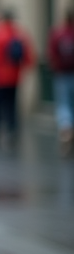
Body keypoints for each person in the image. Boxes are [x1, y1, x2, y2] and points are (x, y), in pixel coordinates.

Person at [0, 8, 35, 148]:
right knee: (12, 105)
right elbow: (28, 56)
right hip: (14, 77)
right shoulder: (19, 34)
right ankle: (12, 130)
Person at [47, 9, 74, 155]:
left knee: (63, 103)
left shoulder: (57, 34)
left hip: (61, 75)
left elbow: (51, 54)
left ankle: (66, 129)